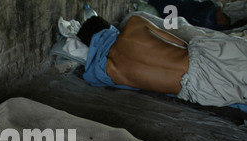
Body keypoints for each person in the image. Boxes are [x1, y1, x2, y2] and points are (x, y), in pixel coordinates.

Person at [77, 15, 247, 107]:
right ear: (107, 27)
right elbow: (180, 42)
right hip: (201, 59)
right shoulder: (134, 24)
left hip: (196, 88)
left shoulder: (105, 72)